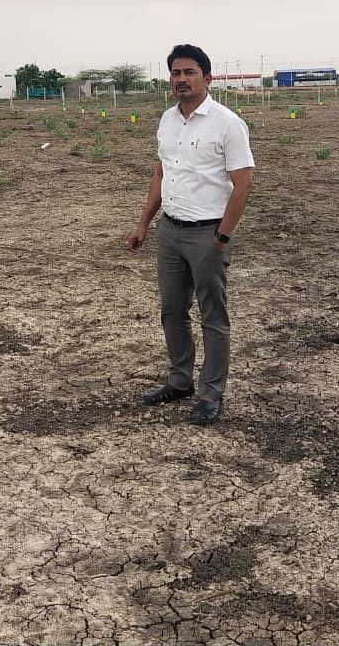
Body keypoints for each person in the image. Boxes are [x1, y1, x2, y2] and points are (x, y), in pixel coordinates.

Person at [125, 44, 254, 425]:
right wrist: (144, 223)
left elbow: (243, 184)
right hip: (171, 230)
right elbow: (160, 174)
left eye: (189, 72)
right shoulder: (167, 120)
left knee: (213, 316)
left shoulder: (228, 123)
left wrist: (223, 237)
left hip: (207, 234)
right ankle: (180, 380)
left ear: (207, 78)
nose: (181, 79)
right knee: (172, 310)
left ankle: (210, 393)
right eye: (175, 73)